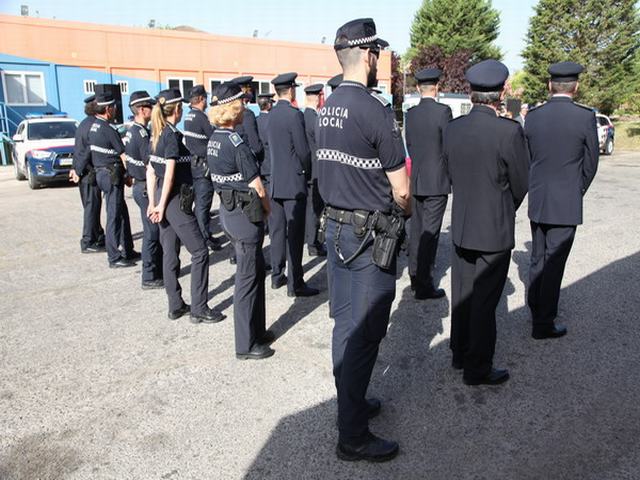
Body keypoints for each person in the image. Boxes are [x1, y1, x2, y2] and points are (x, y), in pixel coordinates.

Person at [317, 18, 408, 462]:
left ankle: (351, 401)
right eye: (380, 56)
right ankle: (351, 434)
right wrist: (407, 212)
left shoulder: (328, 104)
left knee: (345, 324)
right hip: (368, 236)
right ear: (370, 55)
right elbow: (402, 187)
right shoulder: (375, 110)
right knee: (367, 331)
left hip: (334, 229)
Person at [443, 60, 529, 386]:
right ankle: (477, 367)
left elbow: (450, 173)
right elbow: (522, 183)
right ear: (501, 93)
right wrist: (503, 206)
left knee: (463, 293)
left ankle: (459, 352)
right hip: (493, 229)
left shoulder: (454, 128)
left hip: (463, 224)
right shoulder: (509, 132)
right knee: (484, 300)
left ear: (470, 91)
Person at [525, 61, 599, 340]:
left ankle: (535, 309)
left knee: (537, 258)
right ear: (576, 87)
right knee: (554, 261)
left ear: (549, 85)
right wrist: (575, 189)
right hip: (566, 202)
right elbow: (591, 163)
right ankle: (543, 322)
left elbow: (527, 157)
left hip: (539, 198)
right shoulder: (584, 117)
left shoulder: (533, 116)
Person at [207, 82, 275, 359]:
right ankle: (245, 344)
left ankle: (257, 330)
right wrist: (268, 209)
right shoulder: (236, 144)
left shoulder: (214, 139)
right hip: (246, 218)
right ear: (233, 108)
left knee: (255, 273)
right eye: (242, 104)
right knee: (247, 281)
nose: (245, 107)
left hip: (229, 214)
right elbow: (257, 185)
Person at [147, 88, 225, 324]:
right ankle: (199, 308)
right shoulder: (170, 135)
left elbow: (151, 171)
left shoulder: (158, 133)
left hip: (163, 197)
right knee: (200, 252)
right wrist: (159, 205)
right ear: (178, 109)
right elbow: (169, 173)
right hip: (173, 199)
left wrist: (153, 202)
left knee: (170, 252)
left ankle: (175, 305)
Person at [267, 72, 319, 297]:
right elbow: (304, 150)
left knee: (277, 232)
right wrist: (307, 169)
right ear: (291, 90)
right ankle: (295, 282)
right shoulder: (293, 115)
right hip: (293, 182)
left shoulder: (271, 114)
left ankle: (277, 275)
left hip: (276, 181)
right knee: (295, 235)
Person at [405, 68, 452, 300]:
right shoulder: (444, 112)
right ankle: (424, 284)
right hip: (437, 181)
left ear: (417, 88)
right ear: (437, 88)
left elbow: (410, 145)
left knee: (417, 230)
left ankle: (415, 276)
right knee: (430, 234)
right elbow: (448, 147)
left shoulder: (410, 114)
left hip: (418, 179)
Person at [87, 91, 135, 268]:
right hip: (111, 175)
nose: (115, 109)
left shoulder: (94, 126)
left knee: (119, 213)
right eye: (113, 107)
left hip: (101, 173)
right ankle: (114, 256)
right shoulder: (108, 129)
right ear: (108, 109)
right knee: (114, 216)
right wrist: (129, 174)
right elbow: (123, 155)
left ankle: (127, 249)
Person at [123, 90, 164, 289]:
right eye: (151, 106)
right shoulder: (140, 134)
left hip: (140, 186)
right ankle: (149, 275)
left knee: (152, 231)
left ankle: (155, 270)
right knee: (152, 233)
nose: (154, 109)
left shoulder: (132, 130)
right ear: (141, 109)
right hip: (145, 188)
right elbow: (151, 165)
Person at [183, 84, 221, 251]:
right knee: (203, 205)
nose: (206, 102)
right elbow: (213, 138)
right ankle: (204, 237)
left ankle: (203, 234)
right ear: (200, 99)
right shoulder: (201, 117)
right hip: (204, 167)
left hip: (195, 165)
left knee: (199, 203)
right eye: (205, 98)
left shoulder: (188, 116)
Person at [70, 94, 105, 254]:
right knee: (91, 207)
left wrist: (75, 168)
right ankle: (88, 241)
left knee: (91, 206)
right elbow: (85, 151)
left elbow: (77, 150)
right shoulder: (93, 125)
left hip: (83, 171)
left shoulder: (84, 124)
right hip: (89, 172)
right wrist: (78, 170)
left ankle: (97, 236)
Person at [303, 83, 327, 257]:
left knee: (312, 205)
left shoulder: (304, 116)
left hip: (308, 167)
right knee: (315, 207)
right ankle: (313, 243)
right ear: (318, 97)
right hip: (316, 168)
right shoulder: (314, 118)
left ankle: (311, 239)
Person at [230, 76, 264, 159]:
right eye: (249, 89)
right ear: (244, 91)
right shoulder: (247, 114)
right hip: (246, 160)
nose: (251, 92)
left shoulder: (230, 112)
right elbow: (256, 147)